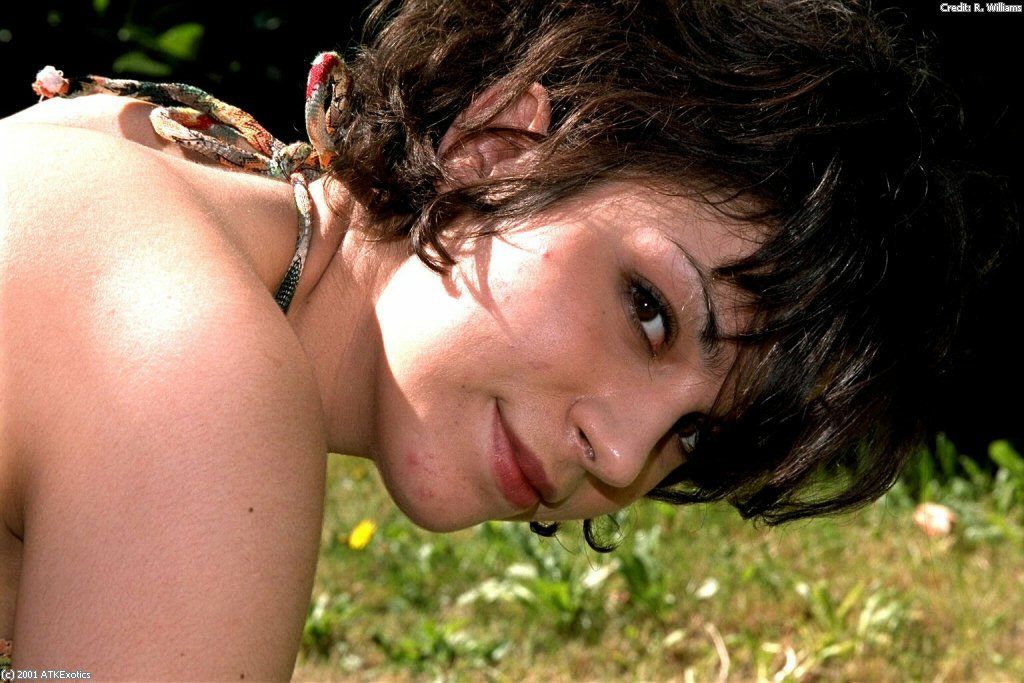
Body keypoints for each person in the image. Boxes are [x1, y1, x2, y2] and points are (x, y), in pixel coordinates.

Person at [0, 0, 1002, 678]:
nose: (622, 458)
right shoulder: (208, 394)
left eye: (694, 434)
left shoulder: (132, 141)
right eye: (649, 309)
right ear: (500, 146)